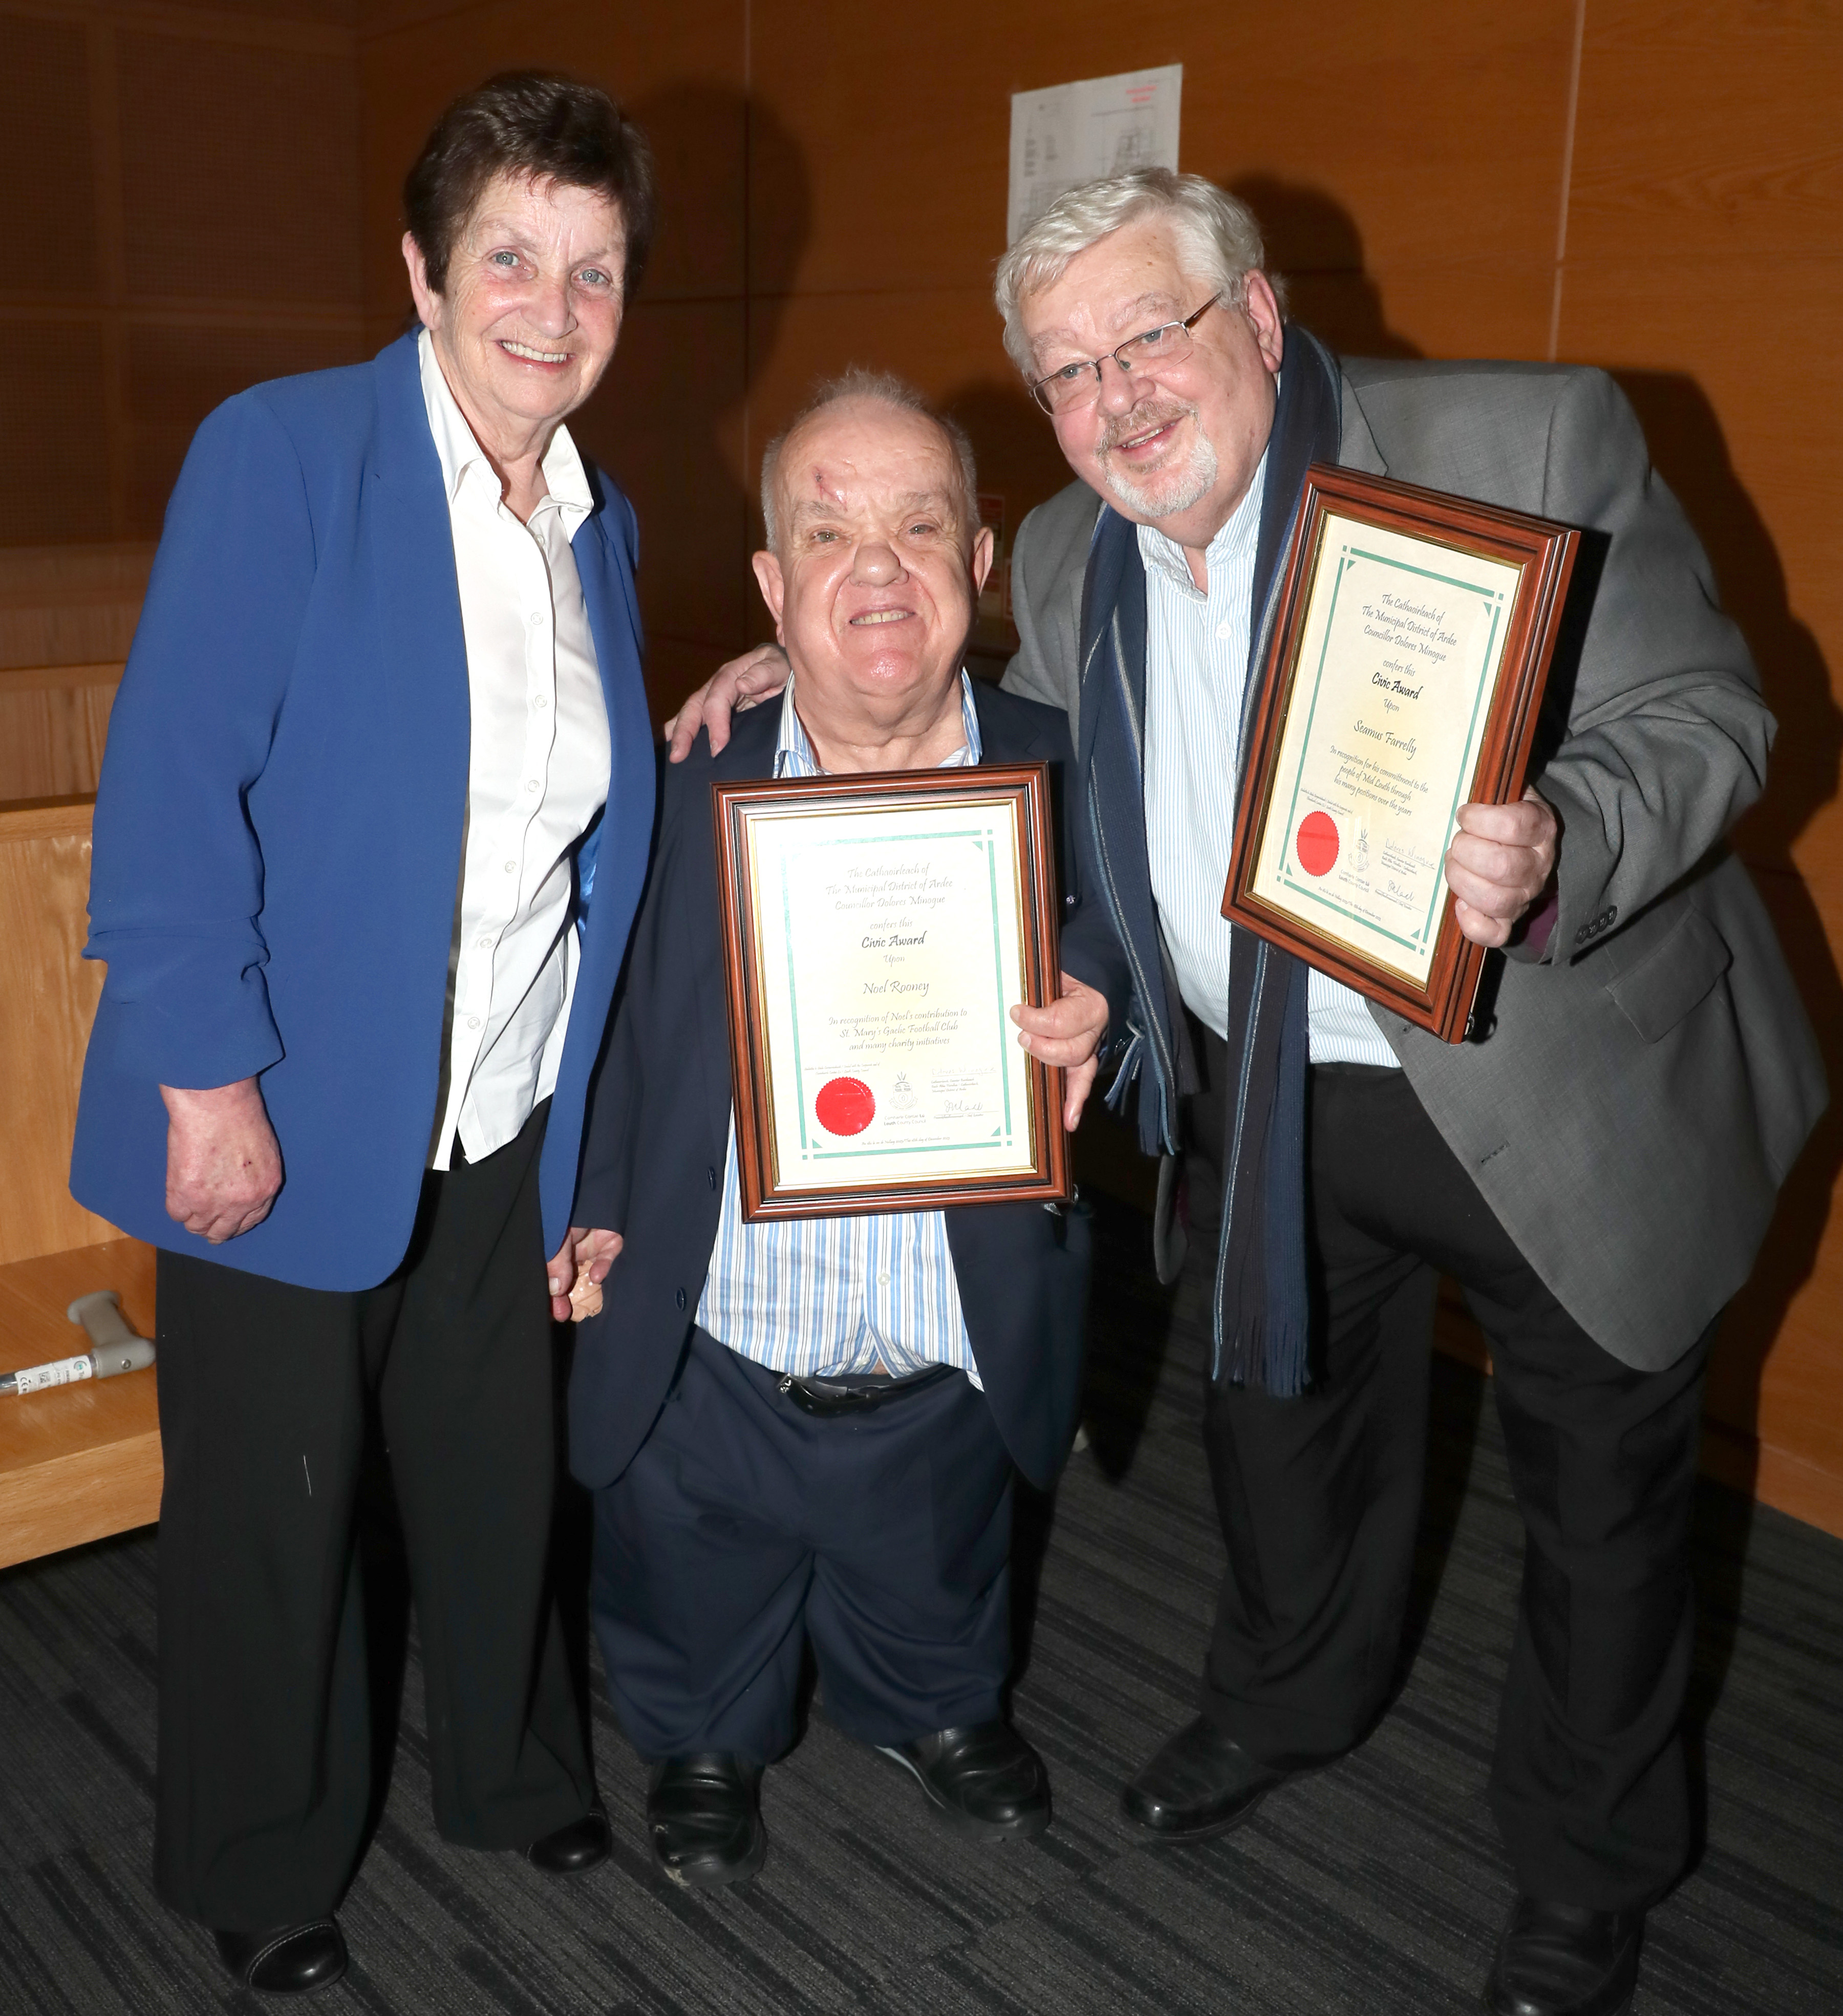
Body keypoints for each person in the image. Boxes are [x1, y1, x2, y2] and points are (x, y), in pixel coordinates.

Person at [666, 171, 1826, 2016]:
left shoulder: (1521, 441)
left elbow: (1712, 715)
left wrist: (1563, 838)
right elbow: (1004, 718)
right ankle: (1286, 1702)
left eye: (1151, 333)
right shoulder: (1067, 554)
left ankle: (1585, 1867)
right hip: (1273, 1094)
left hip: (1550, 1072)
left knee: (1602, 1511)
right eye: (1067, 370)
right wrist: (790, 659)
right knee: (1284, 1441)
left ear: (1262, 317)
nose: (1117, 394)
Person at [71, 73, 659, 1998]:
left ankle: (513, 1771)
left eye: (595, 267)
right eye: (511, 256)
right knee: (276, 1504)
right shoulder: (289, 452)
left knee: (496, 1471)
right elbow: (173, 783)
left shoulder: (601, 523)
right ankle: (258, 1848)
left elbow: (571, 811)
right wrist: (206, 1080)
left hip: (498, 1105)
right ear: (421, 270)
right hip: (288, 1104)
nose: (553, 307)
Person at [567, 371, 1125, 1891]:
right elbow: (609, 1017)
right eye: (828, 535)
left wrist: (1102, 1001)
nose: (877, 569)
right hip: (719, 1328)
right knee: (690, 1564)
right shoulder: (683, 775)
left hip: (945, 1330)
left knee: (937, 1553)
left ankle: (934, 1704)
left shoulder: (1071, 761)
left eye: (919, 527)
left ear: (980, 561)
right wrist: (590, 1203)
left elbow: (1139, 959)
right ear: (773, 586)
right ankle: (701, 1737)